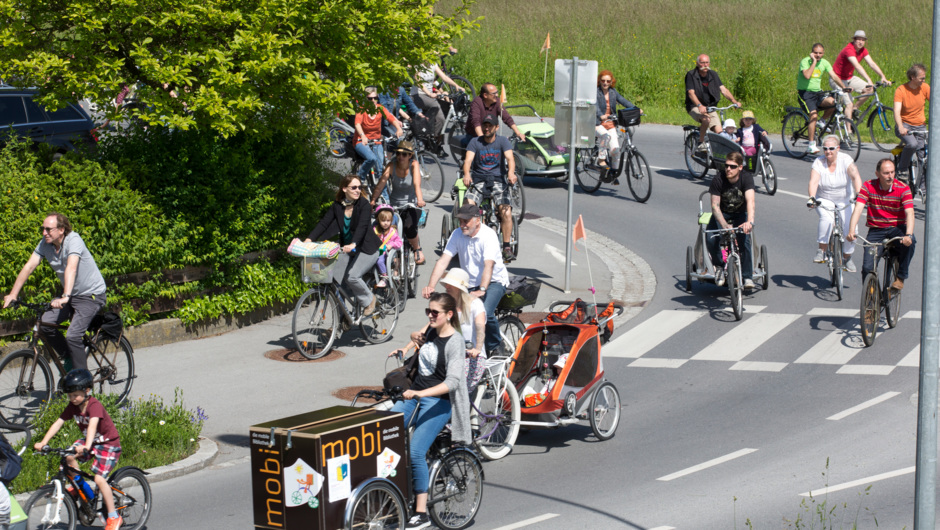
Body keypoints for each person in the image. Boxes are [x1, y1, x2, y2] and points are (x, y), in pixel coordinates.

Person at [387, 292, 470, 530]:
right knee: (387, 431)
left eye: (435, 312)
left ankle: (421, 513)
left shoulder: (455, 342)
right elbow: (417, 336)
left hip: (439, 401)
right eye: (428, 311)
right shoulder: (433, 329)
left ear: (449, 315)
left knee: (415, 451)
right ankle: (395, 492)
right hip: (415, 394)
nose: (430, 315)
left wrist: (420, 394)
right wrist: (411, 339)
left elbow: (452, 382)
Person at [2, 212, 107, 371]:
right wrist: (13, 294)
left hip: (90, 295)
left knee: (72, 336)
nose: (44, 233)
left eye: (48, 229)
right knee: (45, 325)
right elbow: (29, 266)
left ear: (61, 229)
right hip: (71, 295)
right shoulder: (45, 244)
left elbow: (71, 268)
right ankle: (68, 357)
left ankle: (82, 383)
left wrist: (65, 296)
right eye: (43, 229)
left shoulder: (74, 240)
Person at [34, 369, 123, 530]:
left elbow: (92, 426)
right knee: (68, 456)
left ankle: (113, 517)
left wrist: (87, 447)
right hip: (91, 442)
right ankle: (80, 487)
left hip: (108, 443)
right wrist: (43, 442)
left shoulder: (94, 405)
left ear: (87, 390)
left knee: (99, 479)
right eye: (69, 396)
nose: (72, 399)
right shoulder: (73, 406)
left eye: (75, 395)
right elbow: (59, 422)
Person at [423, 204, 509, 356]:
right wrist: (430, 286)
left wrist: (482, 290)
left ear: (478, 220)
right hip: (468, 283)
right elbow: (443, 261)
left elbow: (488, 266)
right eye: (460, 221)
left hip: (494, 281)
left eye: (466, 221)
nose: (462, 225)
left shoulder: (488, 235)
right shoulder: (457, 234)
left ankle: (495, 346)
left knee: (486, 313)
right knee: (449, 310)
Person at [304, 174, 382, 315]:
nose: (358, 190)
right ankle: (342, 320)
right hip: (347, 248)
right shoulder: (337, 206)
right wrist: (310, 239)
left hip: (366, 249)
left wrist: (353, 243)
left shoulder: (363, 205)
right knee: (335, 280)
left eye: (360, 187)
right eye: (354, 187)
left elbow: (362, 227)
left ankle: (370, 300)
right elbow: (324, 223)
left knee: (351, 276)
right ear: (344, 189)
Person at [847, 159, 916, 290]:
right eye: (886, 173)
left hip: (897, 229)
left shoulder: (903, 188)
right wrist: (851, 231)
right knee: (867, 267)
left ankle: (900, 277)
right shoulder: (868, 186)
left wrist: (908, 235)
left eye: (892, 172)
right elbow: (858, 209)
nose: (890, 176)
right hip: (876, 230)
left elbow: (910, 213)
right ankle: (871, 299)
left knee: (911, 244)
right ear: (877, 173)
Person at [462, 114, 517, 261]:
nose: (486, 128)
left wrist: (511, 173)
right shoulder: (475, 142)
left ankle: (506, 246)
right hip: (478, 181)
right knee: (468, 207)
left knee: (506, 211)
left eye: (490, 126)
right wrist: (467, 174)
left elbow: (510, 159)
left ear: (496, 127)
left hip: (498, 181)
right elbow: (468, 160)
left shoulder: (502, 141)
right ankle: (471, 241)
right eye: (485, 125)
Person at [807, 135, 863, 272]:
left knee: (852, 228)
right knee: (826, 219)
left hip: (845, 199)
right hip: (824, 198)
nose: (828, 151)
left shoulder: (846, 160)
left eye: (831, 148)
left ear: (838, 148)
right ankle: (822, 250)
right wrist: (812, 198)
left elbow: (855, 176)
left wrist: (858, 193)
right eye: (825, 148)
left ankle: (847, 257)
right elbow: (814, 181)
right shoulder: (819, 162)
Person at [705, 151, 756, 289]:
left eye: (732, 166)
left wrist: (749, 222)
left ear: (740, 167)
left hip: (740, 214)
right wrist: (724, 225)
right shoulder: (718, 179)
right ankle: (720, 267)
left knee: (744, 240)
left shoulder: (746, 178)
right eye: (726, 165)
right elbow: (715, 207)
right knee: (711, 237)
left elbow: (750, 201)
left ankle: (747, 277)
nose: (728, 169)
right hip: (722, 214)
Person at [372, 140, 427, 265]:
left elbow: (416, 184)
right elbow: (381, 184)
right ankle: (393, 256)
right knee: (387, 227)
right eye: (398, 154)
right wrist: (373, 200)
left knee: (409, 227)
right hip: (394, 205)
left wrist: (419, 200)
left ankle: (417, 248)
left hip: (411, 204)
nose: (400, 157)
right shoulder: (392, 165)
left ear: (410, 156)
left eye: (404, 154)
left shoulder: (414, 164)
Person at [798, 43, 849, 154]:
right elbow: (807, 76)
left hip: (818, 93)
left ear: (823, 53)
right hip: (805, 94)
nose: (818, 55)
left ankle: (822, 121)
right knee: (813, 115)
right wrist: (814, 62)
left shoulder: (825, 63)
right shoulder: (805, 61)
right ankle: (811, 145)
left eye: (820, 53)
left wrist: (844, 87)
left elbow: (834, 76)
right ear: (812, 52)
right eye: (815, 53)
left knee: (833, 102)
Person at [830, 30, 892, 122]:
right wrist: (869, 80)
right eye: (858, 39)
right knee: (849, 104)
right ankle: (849, 132)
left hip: (849, 78)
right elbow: (857, 66)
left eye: (863, 40)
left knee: (870, 89)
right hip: (837, 79)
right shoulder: (849, 49)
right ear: (854, 40)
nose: (860, 42)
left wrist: (883, 76)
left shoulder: (863, 50)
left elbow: (872, 64)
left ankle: (854, 109)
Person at [685, 54, 742, 152]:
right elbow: (691, 93)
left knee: (720, 133)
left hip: (710, 107)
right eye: (702, 62)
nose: (705, 65)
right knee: (706, 119)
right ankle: (700, 142)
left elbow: (723, 89)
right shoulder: (691, 75)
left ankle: (717, 155)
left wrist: (734, 101)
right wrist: (699, 105)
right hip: (695, 106)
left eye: (707, 62)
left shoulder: (713, 74)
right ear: (697, 63)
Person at [354, 87, 403, 185]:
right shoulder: (362, 110)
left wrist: (398, 128)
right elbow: (357, 124)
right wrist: (363, 135)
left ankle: (385, 198)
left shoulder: (380, 108)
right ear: (366, 99)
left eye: (375, 98)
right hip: (361, 141)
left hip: (376, 141)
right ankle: (360, 179)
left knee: (381, 171)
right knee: (372, 158)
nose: (373, 101)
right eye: (370, 98)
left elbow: (390, 117)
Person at [595, 70, 639, 176]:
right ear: (599, 81)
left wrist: (636, 109)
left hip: (610, 124)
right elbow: (594, 105)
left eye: (608, 81)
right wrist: (601, 115)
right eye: (603, 80)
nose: (605, 83)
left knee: (615, 150)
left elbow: (623, 101)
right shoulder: (596, 92)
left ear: (611, 82)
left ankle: (614, 172)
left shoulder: (613, 92)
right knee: (605, 136)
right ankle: (601, 159)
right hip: (597, 124)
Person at [412, 63, 466, 147]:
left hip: (429, 95)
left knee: (444, 110)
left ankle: (436, 141)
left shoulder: (433, 64)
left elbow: (444, 77)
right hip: (418, 95)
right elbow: (418, 81)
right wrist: (429, 93)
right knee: (438, 111)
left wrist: (456, 85)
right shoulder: (418, 64)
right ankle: (435, 139)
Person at [463, 83, 526, 149]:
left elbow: (507, 118)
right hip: (475, 135)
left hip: (490, 134)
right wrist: (482, 140)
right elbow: (476, 122)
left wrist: (518, 133)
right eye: (494, 93)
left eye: (497, 92)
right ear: (485, 95)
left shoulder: (497, 102)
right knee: (478, 155)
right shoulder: (476, 103)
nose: (497, 95)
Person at [893, 63, 930, 176]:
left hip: (920, 126)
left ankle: (923, 190)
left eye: (924, 78)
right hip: (905, 125)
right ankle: (902, 170)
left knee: (924, 158)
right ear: (913, 77)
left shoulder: (925, 87)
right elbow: (896, 111)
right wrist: (901, 127)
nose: (923, 80)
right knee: (912, 144)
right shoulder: (901, 90)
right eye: (921, 78)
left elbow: (936, 104)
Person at [372, 205, 403, 289]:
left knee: (379, 260)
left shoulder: (392, 231)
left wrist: (391, 244)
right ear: (378, 220)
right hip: (376, 249)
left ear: (391, 221)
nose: (386, 223)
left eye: (388, 221)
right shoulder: (375, 229)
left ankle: (384, 276)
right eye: (383, 221)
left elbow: (399, 242)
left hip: (387, 251)